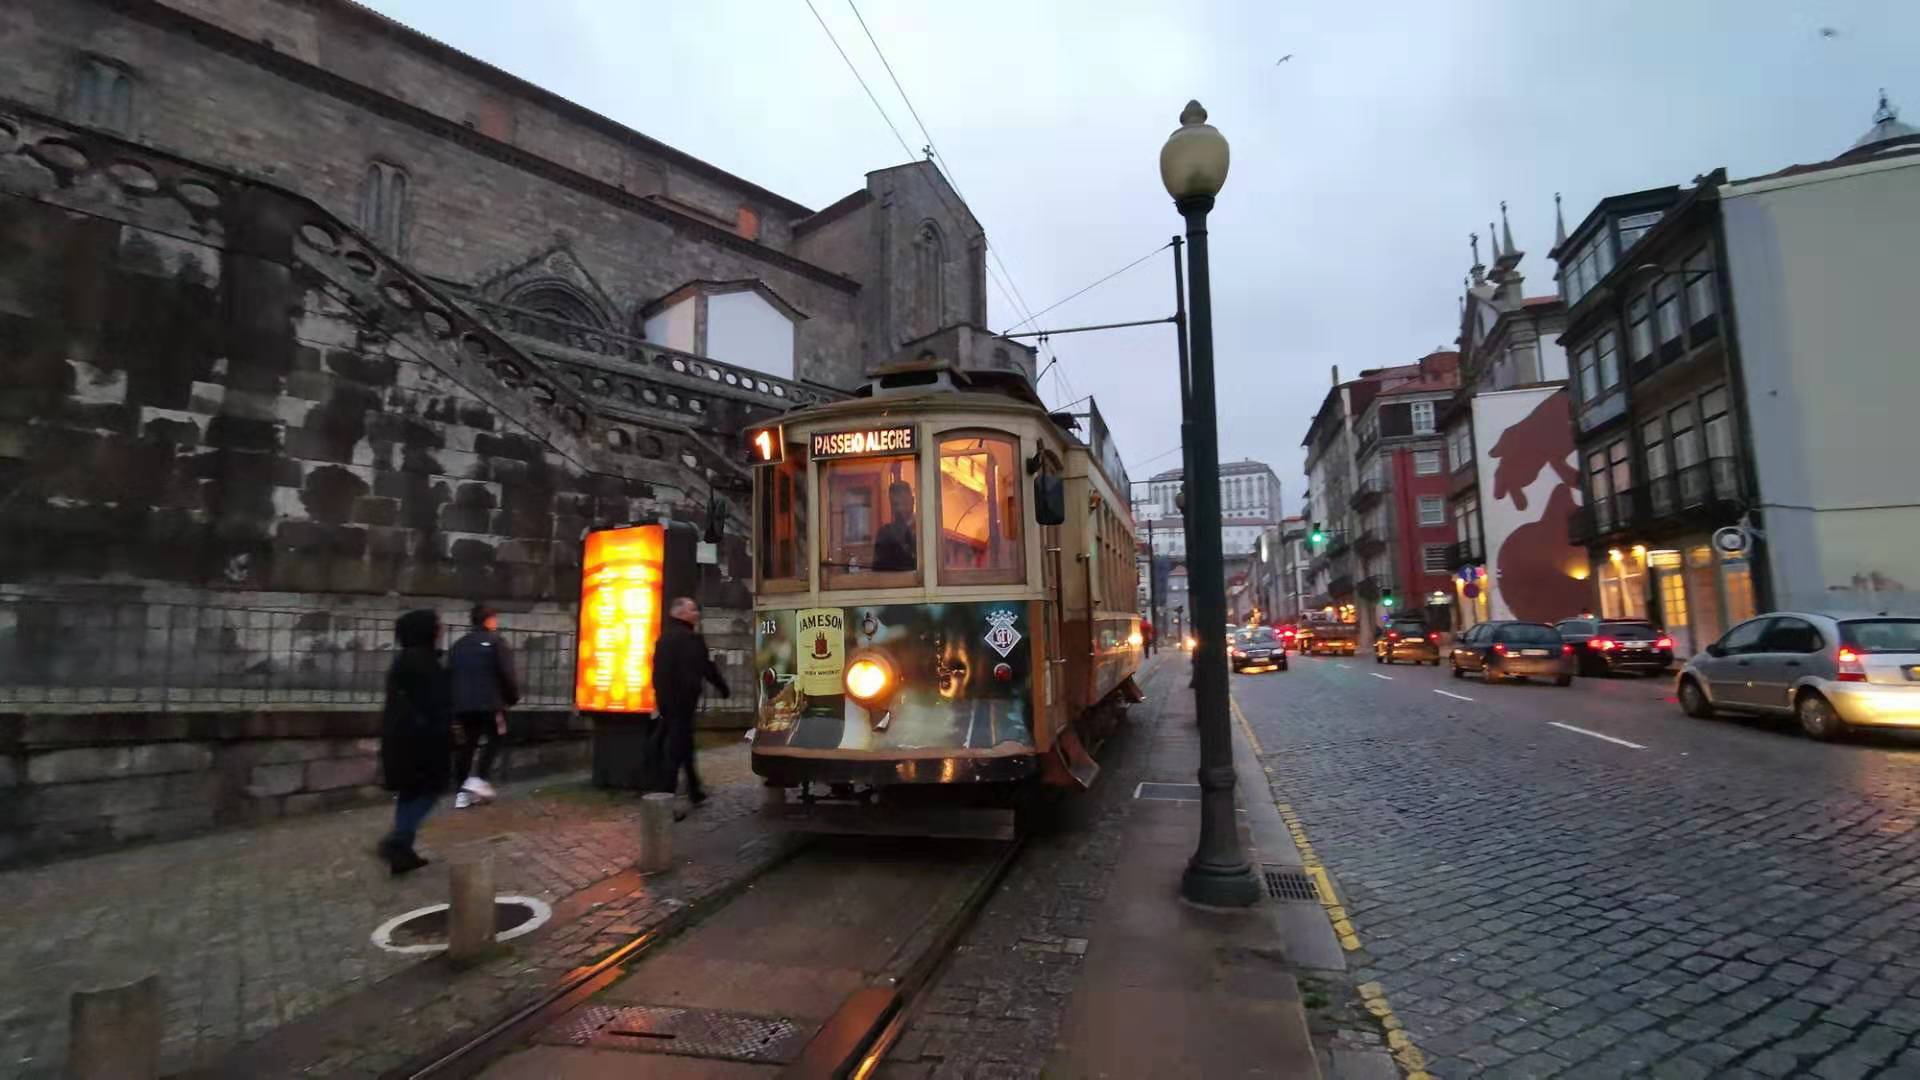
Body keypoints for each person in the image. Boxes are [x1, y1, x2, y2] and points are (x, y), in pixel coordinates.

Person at [378, 609, 451, 875]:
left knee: (410, 791)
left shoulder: (406, 660)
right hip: (422, 740)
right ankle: (398, 840)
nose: (441, 629)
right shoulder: (424, 663)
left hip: (403, 739)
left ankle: (403, 853)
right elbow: (436, 703)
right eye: (437, 625)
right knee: (430, 790)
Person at [651, 596, 730, 817]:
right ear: (680, 614)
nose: (696, 613)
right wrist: (723, 688)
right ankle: (664, 802)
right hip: (683, 703)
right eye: (692, 610)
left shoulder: (664, 639)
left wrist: (661, 700)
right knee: (676, 751)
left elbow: (657, 673)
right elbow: (707, 668)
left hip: (668, 703)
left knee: (684, 747)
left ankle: (694, 790)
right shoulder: (691, 640)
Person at [448, 602, 521, 808]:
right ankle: (478, 781)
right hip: (491, 704)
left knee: (467, 745)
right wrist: (512, 697)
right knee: (496, 738)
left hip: (463, 705)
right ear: (489, 620)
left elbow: (449, 674)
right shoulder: (497, 642)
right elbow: (507, 674)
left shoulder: (459, 645)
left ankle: (462, 791)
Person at [871, 480, 917, 572]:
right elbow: (877, 570)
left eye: (904, 503)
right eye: (895, 504)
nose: (900, 508)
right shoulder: (884, 534)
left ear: (912, 501)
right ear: (891, 506)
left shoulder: (925, 529)